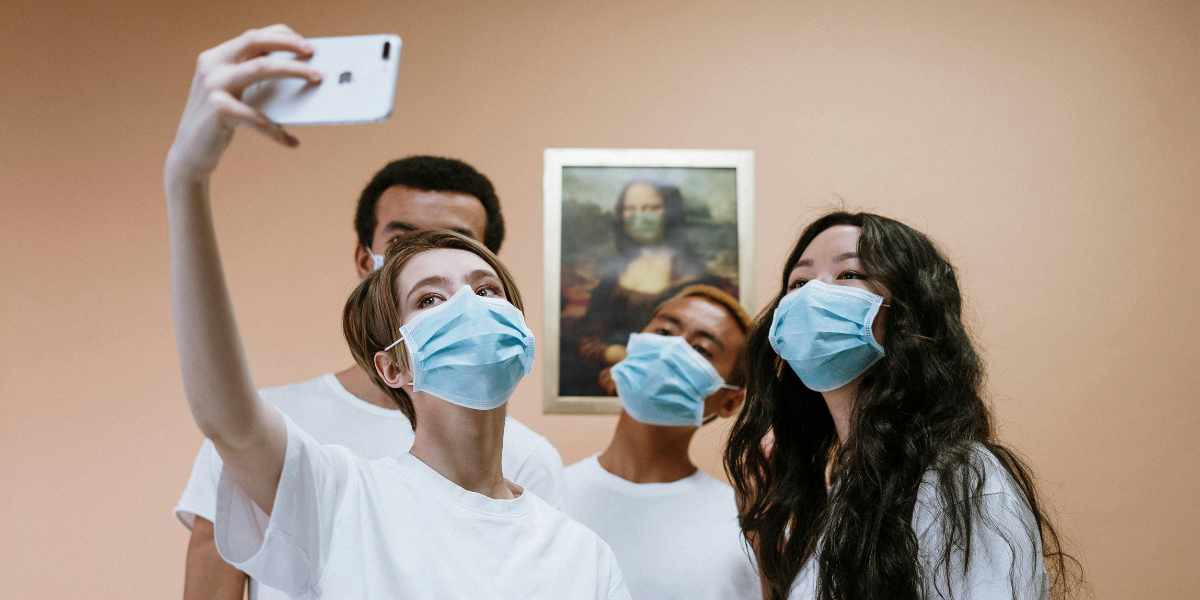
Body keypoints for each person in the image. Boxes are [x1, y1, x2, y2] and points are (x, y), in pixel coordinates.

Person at [167, 25, 569, 600]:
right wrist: (187, 178)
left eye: (469, 271)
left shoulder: (538, 479)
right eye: (406, 247)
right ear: (366, 260)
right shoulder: (309, 459)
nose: (435, 267)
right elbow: (227, 424)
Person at [724, 211, 1082, 600]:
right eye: (799, 282)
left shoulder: (961, 481)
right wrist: (763, 537)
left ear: (911, 312)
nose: (811, 294)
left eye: (848, 275)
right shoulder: (840, 493)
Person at [564, 285, 761, 600]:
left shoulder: (746, 527)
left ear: (729, 401)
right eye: (665, 332)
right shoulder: (546, 494)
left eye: (701, 350)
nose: (671, 351)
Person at [561, 179, 729, 396]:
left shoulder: (697, 280)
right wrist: (613, 354)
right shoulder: (612, 279)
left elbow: (703, 352)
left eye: (651, 208)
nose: (640, 216)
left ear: (671, 214)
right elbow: (587, 334)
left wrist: (634, 367)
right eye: (631, 209)